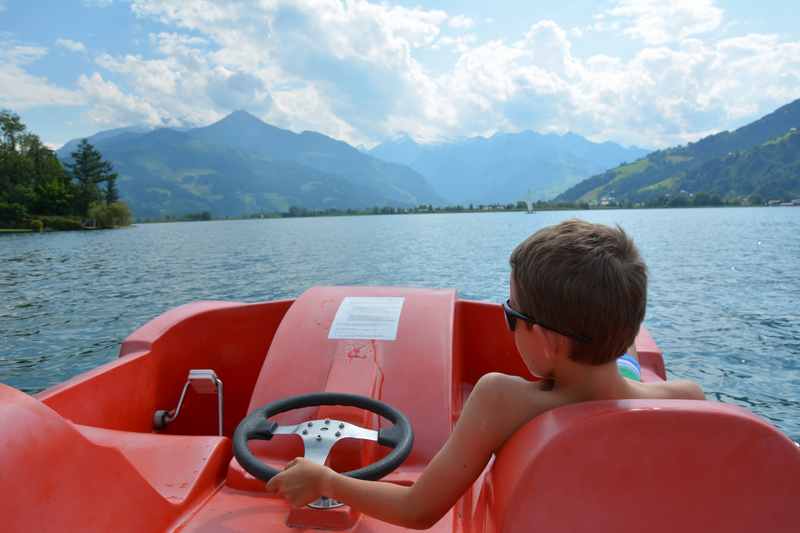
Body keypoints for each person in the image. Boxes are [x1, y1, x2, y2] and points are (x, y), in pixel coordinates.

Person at [266, 219, 705, 529]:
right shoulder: (685, 399)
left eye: (511, 314)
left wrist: (325, 480)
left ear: (549, 341)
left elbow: (417, 510)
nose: (507, 320)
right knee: (626, 367)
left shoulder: (502, 399)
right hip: (620, 382)